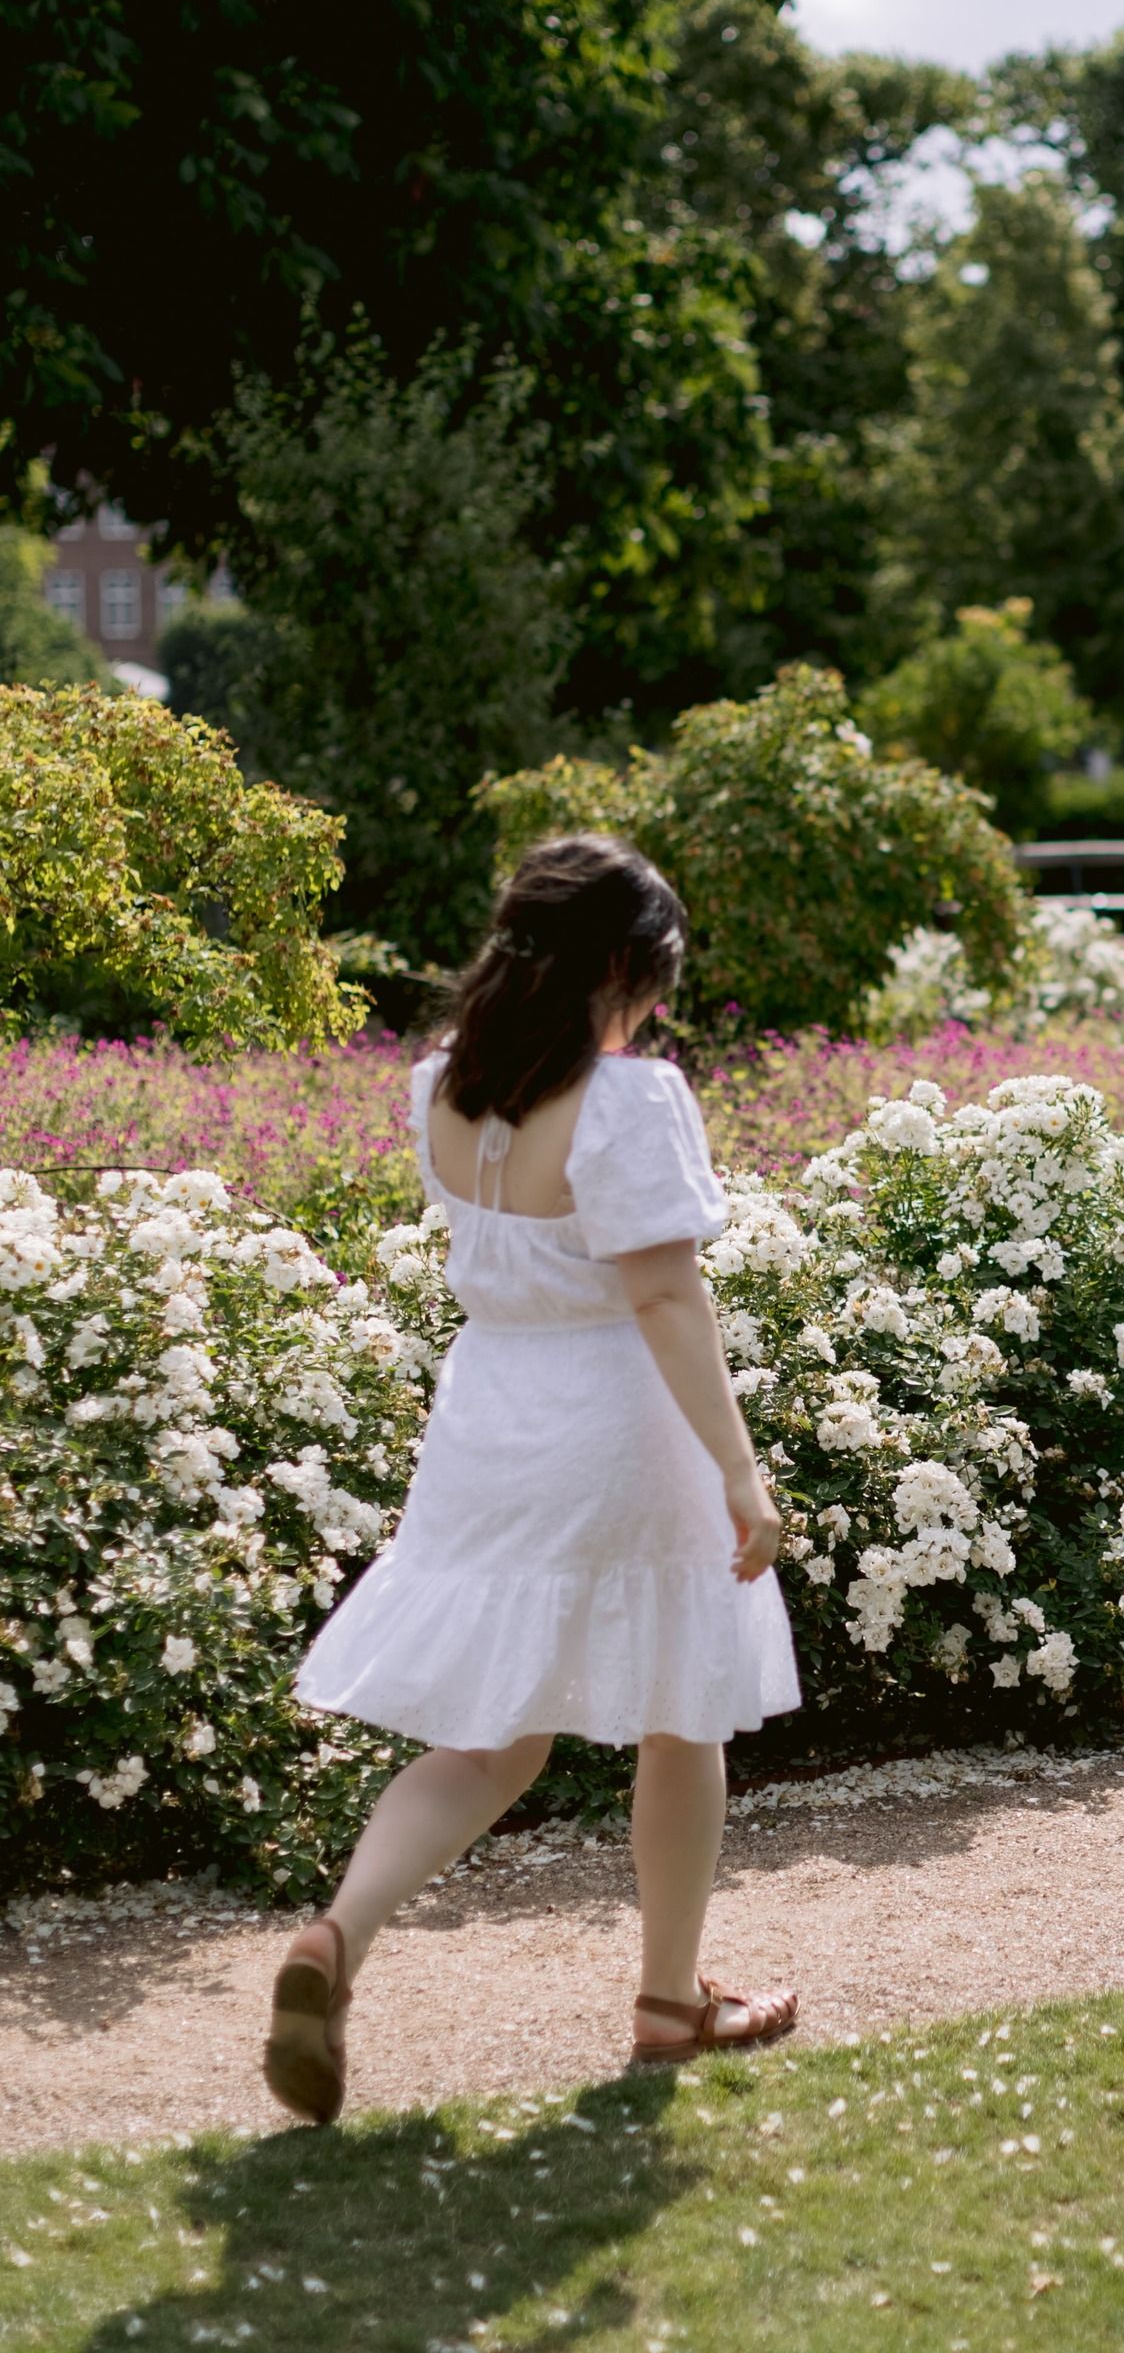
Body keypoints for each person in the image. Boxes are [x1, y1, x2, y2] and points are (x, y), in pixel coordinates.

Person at [263, 835, 800, 2126]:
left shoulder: (443, 1087)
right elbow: (663, 1296)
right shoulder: (628, 1100)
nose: (660, 1001)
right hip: (618, 1418)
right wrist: (741, 1473)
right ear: (621, 966)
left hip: (490, 1421)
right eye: (659, 973)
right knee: (681, 1714)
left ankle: (340, 1933)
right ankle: (668, 2001)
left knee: (489, 1742)